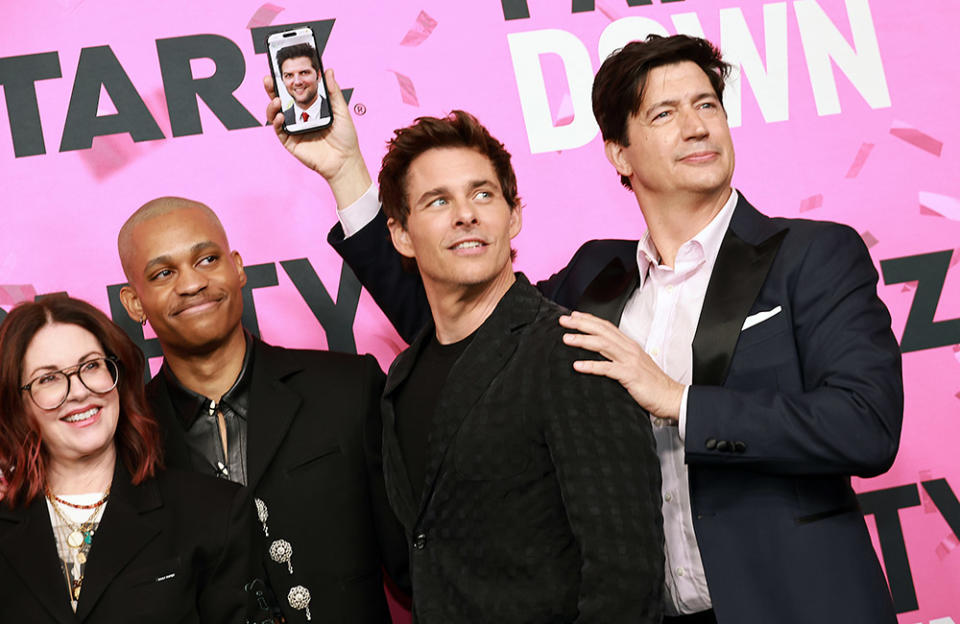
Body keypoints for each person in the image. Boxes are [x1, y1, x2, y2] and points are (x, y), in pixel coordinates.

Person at [265, 34, 903, 624]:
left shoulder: (813, 255)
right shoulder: (598, 275)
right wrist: (346, 173)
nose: (696, 124)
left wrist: (679, 402)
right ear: (618, 154)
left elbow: (865, 426)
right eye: (664, 113)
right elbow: (466, 328)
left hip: (790, 605)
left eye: (707, 103)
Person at [269, 86, 664, 620]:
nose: (466, 216)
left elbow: (624, 573)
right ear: (401, 235)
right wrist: (343, 168)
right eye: (438, 201)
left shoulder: (569, 353)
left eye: (483, 195)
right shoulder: (403, 376)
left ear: (514, 216)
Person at [115, 199, 409, 623]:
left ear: (237, 268)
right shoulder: (126, 440)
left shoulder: (347, 389)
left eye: (207, 259)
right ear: (134, 303)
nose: (192, 283)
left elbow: (419, 563)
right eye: (164, 273)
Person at [0, 295, 261, 623]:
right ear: (17, 403)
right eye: (48, 378)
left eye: (91, 365)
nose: (79, 391)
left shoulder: (213, 511)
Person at [277, 43, 330, 127]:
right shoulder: (281, 122)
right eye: (289, 75)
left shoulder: (338, 113)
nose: (297, 82)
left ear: (319, 75)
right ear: (282, 80)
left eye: (304, 73)